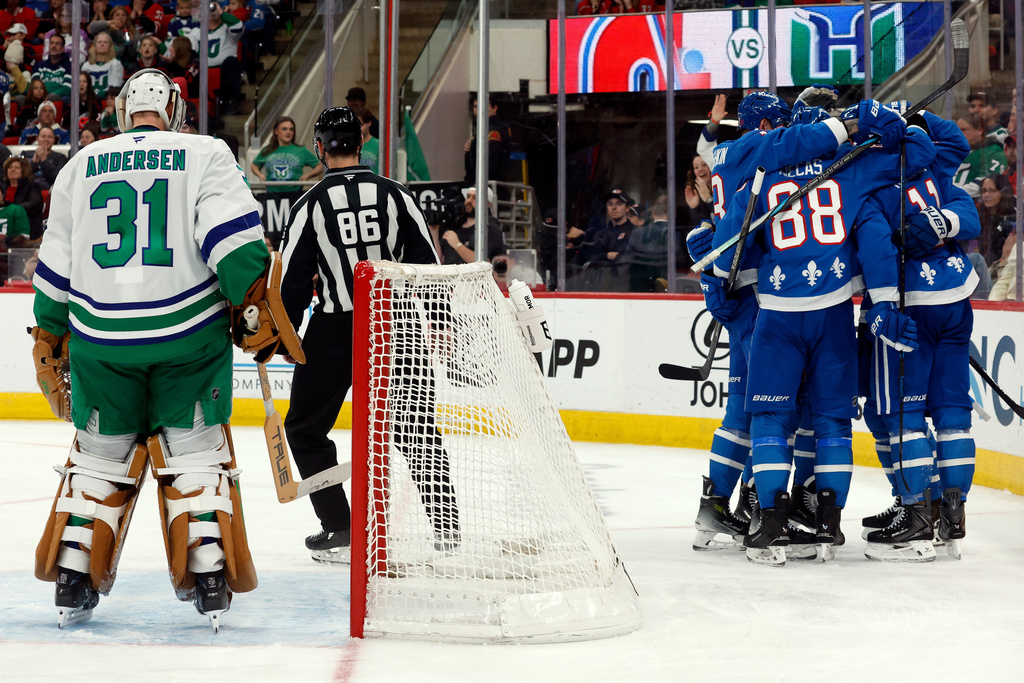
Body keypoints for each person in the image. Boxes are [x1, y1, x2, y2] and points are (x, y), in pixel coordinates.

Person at [30, 68, 300, 629]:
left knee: (99, 456)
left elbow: (54, 267)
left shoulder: (79, 165)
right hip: (187, 334)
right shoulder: (203, 152)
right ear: (173, 108)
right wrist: (251, 305)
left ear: (124, 110)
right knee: (195, 453)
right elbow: (233, 242)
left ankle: (74, 576)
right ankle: (207, 574)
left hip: (100, 338)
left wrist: (51, 331)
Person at [713, 100, 934, 566]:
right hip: (833, 313)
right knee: (832, 423)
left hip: (776, 315)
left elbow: (724, 251)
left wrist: (718, 283)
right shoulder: (847, 170)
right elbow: (918, 151)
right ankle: (825, 525)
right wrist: (886, 125)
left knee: (771, 423)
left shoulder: (761, 167)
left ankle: (771, 524)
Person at [278, 106, 459, 563]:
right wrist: (436, 322)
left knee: (305, 429)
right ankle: (448, 528)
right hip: (397, 325)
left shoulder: (309, 204)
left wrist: (286, 338)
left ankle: (340, 526)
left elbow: (292, 284)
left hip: (334, 330)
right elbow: (426, 268)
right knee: (415, 429)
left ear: (319, 148)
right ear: (361, 144)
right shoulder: (396, 195)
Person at [860, 109, 982, 562]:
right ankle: (952, 515)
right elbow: (966, 211)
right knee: (953, 412)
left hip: (910, 306)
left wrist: (882, 308)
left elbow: (872, 248)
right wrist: (917, 115)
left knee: (903, 415)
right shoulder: (930, 163)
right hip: (956, 298)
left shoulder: (866, 182)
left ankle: (918, 518)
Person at [184, 2, 244, 115]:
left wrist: (221, 13)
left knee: (232, 62)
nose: (210, 14)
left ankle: (231, 102)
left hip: (224, 69)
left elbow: (239, 27)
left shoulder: (227, 28)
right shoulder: (196, 32)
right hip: (201, 71)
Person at [249, 115, 321, 192]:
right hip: (271, 195)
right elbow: (254, 165)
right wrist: (260, 175)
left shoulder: (301, 150)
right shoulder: (267, 150)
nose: (288, 132)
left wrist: (308, 175)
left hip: (295, 194)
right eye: (284, 129)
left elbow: (319, 166)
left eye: (291, 129)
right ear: (276, 131)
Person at [438, 185, 506, 265]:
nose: (469, 201)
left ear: (487, 204)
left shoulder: (490, 228)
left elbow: (486, 262)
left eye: (475, 198)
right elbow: (440, 259)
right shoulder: (455, 225)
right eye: (468, 196)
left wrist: (457, 245)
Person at [953, 113, 1007, 190]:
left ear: (980, 131)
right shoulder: (954, 151)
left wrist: (954, 194)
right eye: (957, 130)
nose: (958, 133)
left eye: (963, 130)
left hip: (969, 199)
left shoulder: (993, 152)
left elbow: (984, 184)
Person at [463, 93, 510, 183]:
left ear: (494, 108)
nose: (479, 110)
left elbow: (492, 162)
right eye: (476, 106)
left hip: (488, 186)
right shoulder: (483, 129)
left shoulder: (494, 131)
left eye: (483, 105)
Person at [974, 173, 1016, 267]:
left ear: (1003, 192)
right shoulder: (979, 215)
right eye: (984, 191)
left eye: (991, 190)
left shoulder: (1014, 216)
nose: (986, 195)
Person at [1, 155, 43, 238]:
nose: (12, 169)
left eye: (17, 167)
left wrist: (13, 210)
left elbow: (35, 204)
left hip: (27, 227)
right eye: (10, 167)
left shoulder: (31, 186)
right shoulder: (2, 188)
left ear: (23, 171)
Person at [32, 34, 72, 106]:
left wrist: (49, 96)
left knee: (66, 99)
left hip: (57, 99)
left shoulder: (69, 66)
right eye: (51, 43)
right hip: (39, 97)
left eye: (57, 44)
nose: (54, 46)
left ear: (63, 48)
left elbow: (67, 88)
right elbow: (33, 85)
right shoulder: (39, 65)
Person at [81, 31, 124, 97]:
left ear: (110, 46)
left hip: (106, 99)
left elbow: (114, 88)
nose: (102, 44)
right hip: (89, 99)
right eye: (99, 42)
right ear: (94, 46)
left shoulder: (116, 64)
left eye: (105, 42)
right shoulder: (86, 66)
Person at [24, 125, 66, 189]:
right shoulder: (25, 154)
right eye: (43, 136)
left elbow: (58, 179)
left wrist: (44, 160)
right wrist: (33, 163)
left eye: (50, 137)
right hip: (27, 191)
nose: (46, 139)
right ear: (37, 138)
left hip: (50, 192)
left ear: (54, 140)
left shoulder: (61, 157)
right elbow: (20, 176)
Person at [357, 109, 378, 173]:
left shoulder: (378, 145)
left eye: (361, 125)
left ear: (369, 123)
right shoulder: (351, 145)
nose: (358, 129)